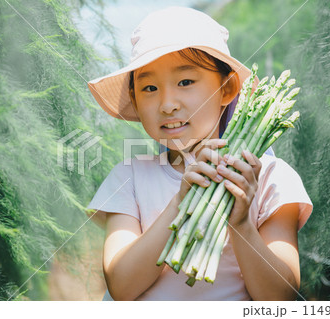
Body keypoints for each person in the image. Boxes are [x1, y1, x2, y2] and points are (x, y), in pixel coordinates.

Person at [86, 6, 313, 301]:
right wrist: (181, 201)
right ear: (134, 100)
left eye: (185, 82)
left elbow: (281, 298)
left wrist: (241, 222)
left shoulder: (269, 178)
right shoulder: (127, 177)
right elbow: (120, 285)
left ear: (227, 88)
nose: (167, 104)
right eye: (150, 88)